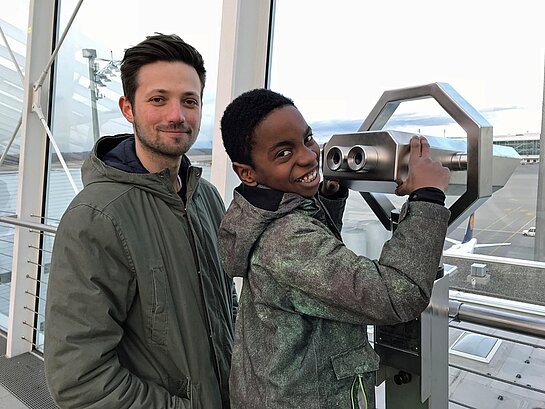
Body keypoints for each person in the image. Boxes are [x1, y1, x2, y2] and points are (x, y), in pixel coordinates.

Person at [218, 88, 451, 409]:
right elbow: (400, 295)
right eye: (284, 153)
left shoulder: (266, 217)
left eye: (308, 138)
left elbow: (317, 273)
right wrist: (427, 197)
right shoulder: (287, 242)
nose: (308, 156)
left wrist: (328, 196)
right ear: (247, 172)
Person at [44, 34, 236, 408]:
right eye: (158, 99)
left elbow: (225, 302)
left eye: (189, 101)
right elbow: (79, 377)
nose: (176, 116)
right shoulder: (95, 217)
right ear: (128, 109)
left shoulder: (206, 198)